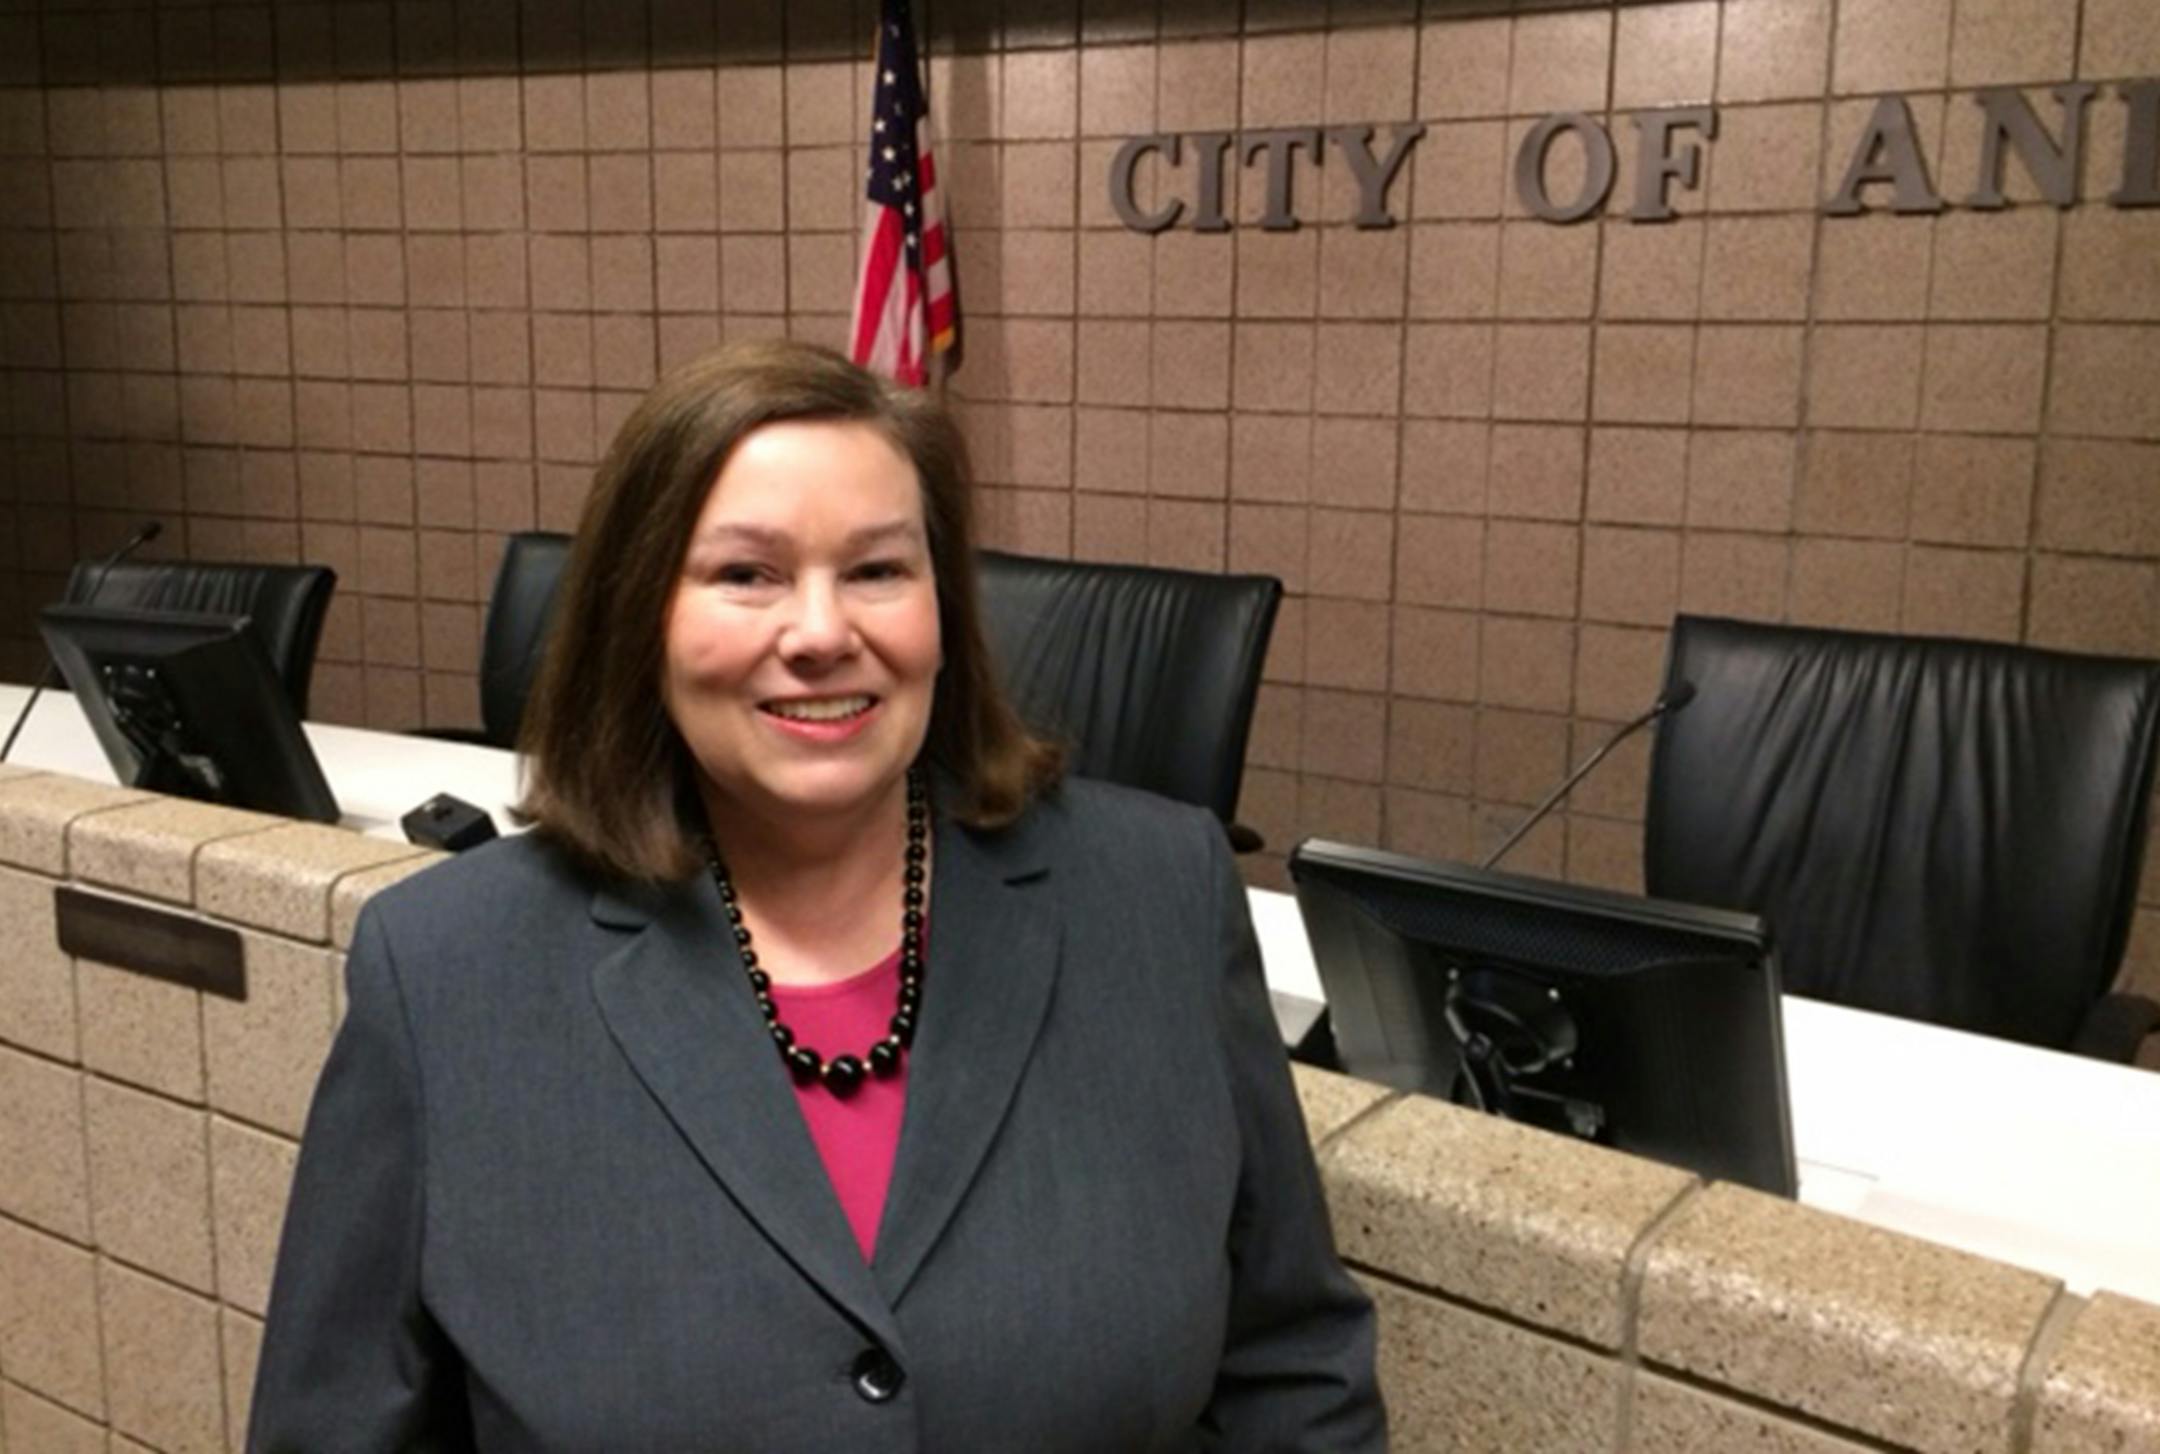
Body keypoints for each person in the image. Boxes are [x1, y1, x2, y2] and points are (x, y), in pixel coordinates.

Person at [248, 339, 1386, 1452]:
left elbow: (1292, 1364)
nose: (821, 633)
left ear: (944, 606)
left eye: (879, 569)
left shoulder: (1159, 898)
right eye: (746, 573)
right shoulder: (448, 971)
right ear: (639, 614)